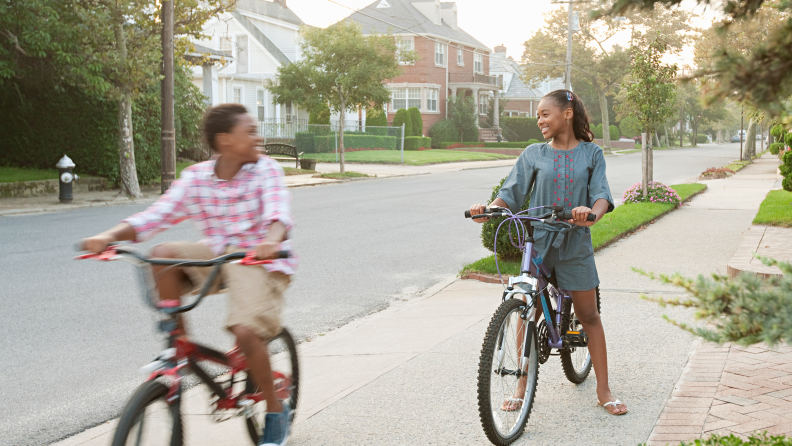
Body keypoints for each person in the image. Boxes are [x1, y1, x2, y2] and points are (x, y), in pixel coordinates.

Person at [80, 104, 297, 445]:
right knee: (161, 255)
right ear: (225, 141)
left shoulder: (266, 170)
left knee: (245, 329)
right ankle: (176, 342)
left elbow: (278, 213)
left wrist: (270, 241)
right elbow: (157, 215)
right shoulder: (197, 178)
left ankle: (274, 410)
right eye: (251, 131)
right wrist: (108, 237)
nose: (259, 137)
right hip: (217, 255)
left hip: (257, 259)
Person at [468, 90, 627, 416]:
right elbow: (510, 193)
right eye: (538, 114)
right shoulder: (533, 154)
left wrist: (591, 213)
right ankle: (521, 386)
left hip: (574, 243)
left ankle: (604, 389)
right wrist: (490, 209)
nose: (539, 120)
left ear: (567, 113)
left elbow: (601, 195)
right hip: (538, 244)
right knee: (526, 308)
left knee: (589, 316)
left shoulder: (591, 154)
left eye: (545, 114)